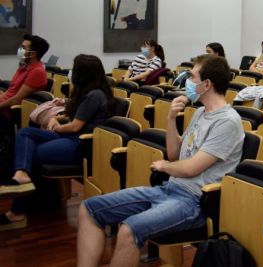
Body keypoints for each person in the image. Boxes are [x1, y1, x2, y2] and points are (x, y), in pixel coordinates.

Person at [77, 55, 244, 267]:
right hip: (168, 189)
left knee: (129, 230)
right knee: (89, 209)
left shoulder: (227, 122)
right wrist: (171, 118)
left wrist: (164, 166)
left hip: (192, 202)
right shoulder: (201, 112)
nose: (187, 81)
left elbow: (191, 168)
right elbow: (175, 155)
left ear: (207, 84)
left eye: (192, 76)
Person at [0, 54, 113, 231]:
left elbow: (75, 126)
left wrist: (55, 127)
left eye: (74, 69)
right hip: (68, 137)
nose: (71, 72)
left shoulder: (94, 95)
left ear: (82, 73)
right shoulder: (86, 91)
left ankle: (18, 212)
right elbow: (73, 116)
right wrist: (56, 119)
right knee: (25, 133)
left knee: (31, 154)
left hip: (78, 144)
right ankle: (22, 175)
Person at [0, 34, 49, 131]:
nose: (20, 50)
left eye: (23, 48)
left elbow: (16, 100)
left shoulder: (37, 72)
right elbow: (10, 90)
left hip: (9, 113)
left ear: (33, 53)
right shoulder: (24, 67)